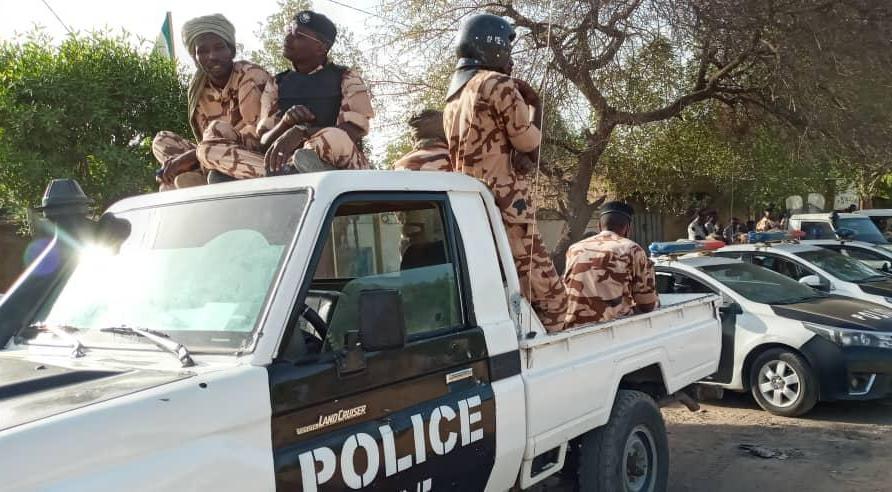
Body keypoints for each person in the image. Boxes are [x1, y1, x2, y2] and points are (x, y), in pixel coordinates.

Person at [443, 13, 567, 332]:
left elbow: (489, 146)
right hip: (508, 211)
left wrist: (516, 155)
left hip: (476, 210)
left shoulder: (455, 97)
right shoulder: (495, 83)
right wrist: (536, 104)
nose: (510, 59)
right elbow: (531, 144)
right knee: (553, 299)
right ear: (493, 47)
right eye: (508, 51)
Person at [152, 14, 276, 189]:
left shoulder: (250, 76)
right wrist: (179, 163)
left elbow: (257, 135)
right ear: (195, 58)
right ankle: (203, 178)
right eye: (202, 51)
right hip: (215, 156)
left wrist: (189, 157)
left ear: (231, 50)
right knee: (162, 140)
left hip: (254, 153)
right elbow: (204, 139)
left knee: (216, 132)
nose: (212, 56)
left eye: (219, 48)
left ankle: (280, 173)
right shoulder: (199, 90)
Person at [259, 10, 374, 176]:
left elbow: (351, 133)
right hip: (283, 162)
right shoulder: (277, 83)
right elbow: (263, 142)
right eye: (288, 31)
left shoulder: (346, 77)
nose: (287, 38)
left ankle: (301, 169)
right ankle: (292, 170)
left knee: (335, 136)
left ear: (321, 48)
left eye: (298, 35)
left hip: (345, 166)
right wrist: (285, 123)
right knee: (213, 142)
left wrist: (301, 132)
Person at [564, 202, 658, 326]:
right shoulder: (631, 249)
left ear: (599, 226)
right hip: (614, 329)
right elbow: (647, 305)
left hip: (571, 329)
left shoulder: (574, 249)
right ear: (628, 228)